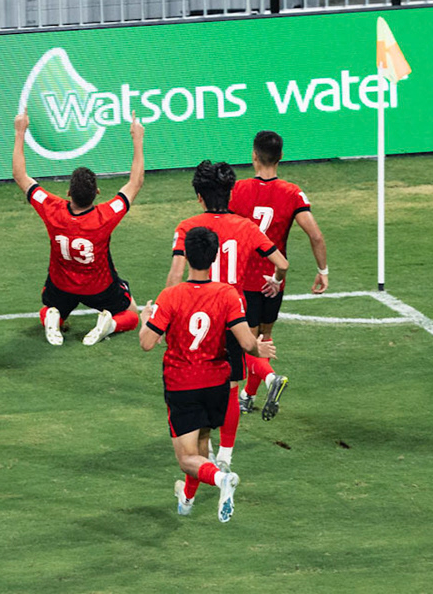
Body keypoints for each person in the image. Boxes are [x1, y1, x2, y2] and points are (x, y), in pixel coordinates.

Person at [163, 158, 288, 482]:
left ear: (199, 196)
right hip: (233, 318)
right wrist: (275, 279)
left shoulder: (188, 226)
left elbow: (176, 274)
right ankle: (225, 457)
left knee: (190, 387)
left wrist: (166, 312)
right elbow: (282, 262)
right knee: (231, 390)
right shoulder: (246, 226)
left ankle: (197, 459)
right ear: (230, 192)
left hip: (196, 318)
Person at [140, 224, 274, 523]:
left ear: (186, 255)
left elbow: (148, 343)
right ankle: (186, 499)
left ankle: (221, 480)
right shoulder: (227, 295)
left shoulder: (171, 296)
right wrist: (258, 349)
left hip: (182, 385)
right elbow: (246, 342)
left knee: (187, 459)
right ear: (214, 258)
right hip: (216, 385)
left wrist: (145, 319)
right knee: (201, 444)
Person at [11, 111, 146, 347]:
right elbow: (135, 182)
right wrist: (137, 140)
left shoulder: (51, 208)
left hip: (61, 285)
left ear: (68, 193)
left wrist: (20, 131)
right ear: (97, 193)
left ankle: (53, 318)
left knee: (50, 308)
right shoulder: (105, 215)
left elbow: (19, 175)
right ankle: (109, 325)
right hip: (100, 288)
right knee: (132, 315)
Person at [228, 130, 328, 425]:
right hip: (274, 280)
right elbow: (316, 235)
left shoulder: (238, 190)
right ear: (281, 157)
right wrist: (323, 271)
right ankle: (248, 396)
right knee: (265, 339)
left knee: (248, 343)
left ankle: (270, 380)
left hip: (245, 280)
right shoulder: (292, 193)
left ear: (254, 156)